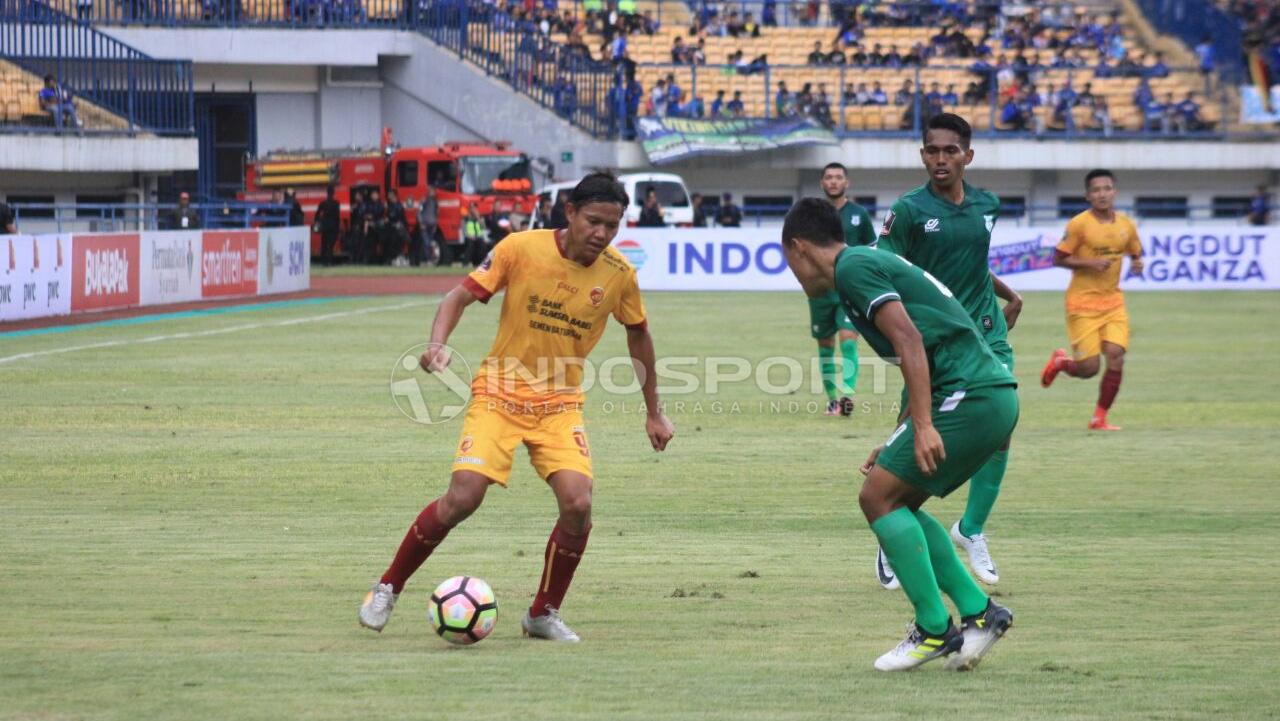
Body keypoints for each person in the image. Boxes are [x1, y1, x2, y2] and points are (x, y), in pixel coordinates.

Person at [358, 173, 675, 641]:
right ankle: (387, 586)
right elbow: (459, 295)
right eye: (593, 221)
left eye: (612, 225)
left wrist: (654, 410)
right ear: (569, 211)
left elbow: (639, 335)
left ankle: (542, 613)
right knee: (463, 497)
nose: (602, 234)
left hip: (560, 404)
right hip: (500, 393)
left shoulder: (619, 274)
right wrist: (436, 345)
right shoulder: (519, 248)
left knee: (578, 503)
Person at [781, 198, 1017, 672]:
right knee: (896, 499)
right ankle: (980, 613)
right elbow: (922, 353)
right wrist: (904, 432)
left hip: (971, 394)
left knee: (876, 499)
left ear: (798, 248)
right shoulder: (863, 263)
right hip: (983, 394)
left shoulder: (853, 269)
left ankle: (934, 628)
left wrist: (925, 425)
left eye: (787, 260)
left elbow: (909, 340)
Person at [877, 113, 1023, 589]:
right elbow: (884, 269)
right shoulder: (909, 212)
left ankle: (972, 529)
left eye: (950, 151)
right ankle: (889, 530)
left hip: (984, 330)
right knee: (912, 429)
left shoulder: (987, 205)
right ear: (922, 154)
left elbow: (973, 265)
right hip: (932, 337)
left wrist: (1009, 296)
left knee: (1002, 422)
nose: (940, 159)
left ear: (968, 155)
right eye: (932, 151)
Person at [1041, 169, 1144, 430]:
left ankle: (1099, 418)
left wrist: (1138, 263)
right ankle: (1062, 362)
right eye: (1096, 190)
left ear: (1114, 192)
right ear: (1088, 196)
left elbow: (1136, 251)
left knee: (1116, 355)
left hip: (1113, 303)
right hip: (1082, 304)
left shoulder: (1126, 224)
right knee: (1088, 369)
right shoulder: (1079, 225)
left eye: (1107, 188)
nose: (1102, 194)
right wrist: (1090, 262)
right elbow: (1057, 258)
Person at [810, 162, 876, 417]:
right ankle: (832, 400)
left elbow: (872, 250)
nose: (834, 181)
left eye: (839, 177)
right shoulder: (813, 215)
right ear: (822, 183)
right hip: (820, 291)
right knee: (825, 344)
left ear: (846, 183)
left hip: (850, 289)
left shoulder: (859, 214)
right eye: (829, 177)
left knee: (848, 339)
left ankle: (847, 395)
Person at [314, 185, 341, 267]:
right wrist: (338, 228)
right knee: (330, 245)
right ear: (333, 193)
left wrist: (319, 223)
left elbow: (317, 215)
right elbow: (337, 217)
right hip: (333, 226)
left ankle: (324, 261)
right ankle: (329, 261)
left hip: (325, 226)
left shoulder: (323, 203)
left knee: (324, 244)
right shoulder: (336, 203)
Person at [385, 189, 409, 263]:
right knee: (391, 244)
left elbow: (399, 217)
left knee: (398, 244)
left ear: (394, 195)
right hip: (392, 228)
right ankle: (393, 259)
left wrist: (389, 219)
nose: (388, 196)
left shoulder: (398, 206)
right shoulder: (390, 206)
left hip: (398, 229)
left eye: (390, 194)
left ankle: (400, 259)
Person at [462, 202, 488, 266]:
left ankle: (480, 263)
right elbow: (463, 230)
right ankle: (465, 264)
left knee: (482, 245)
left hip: (478, 237)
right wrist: (469, 236)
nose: (473, 210)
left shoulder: (480, 217)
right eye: (471, 208)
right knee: (470, 246)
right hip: (469, 237)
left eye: (474, 208)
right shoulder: (466, 218)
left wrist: (478, 218)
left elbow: (483, 227)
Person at [419, 187, 441, 264]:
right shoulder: (424, 200)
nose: (433, 193)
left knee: (431, 242)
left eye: (433, 192)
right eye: (431, 191)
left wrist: (435, 224)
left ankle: (430, 259)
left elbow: (436, 214)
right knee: (426, 242)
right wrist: (421, 222)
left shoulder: (435, 202)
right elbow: (419, 212)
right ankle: (427, 259)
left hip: (432, 224)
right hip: (425, 224)